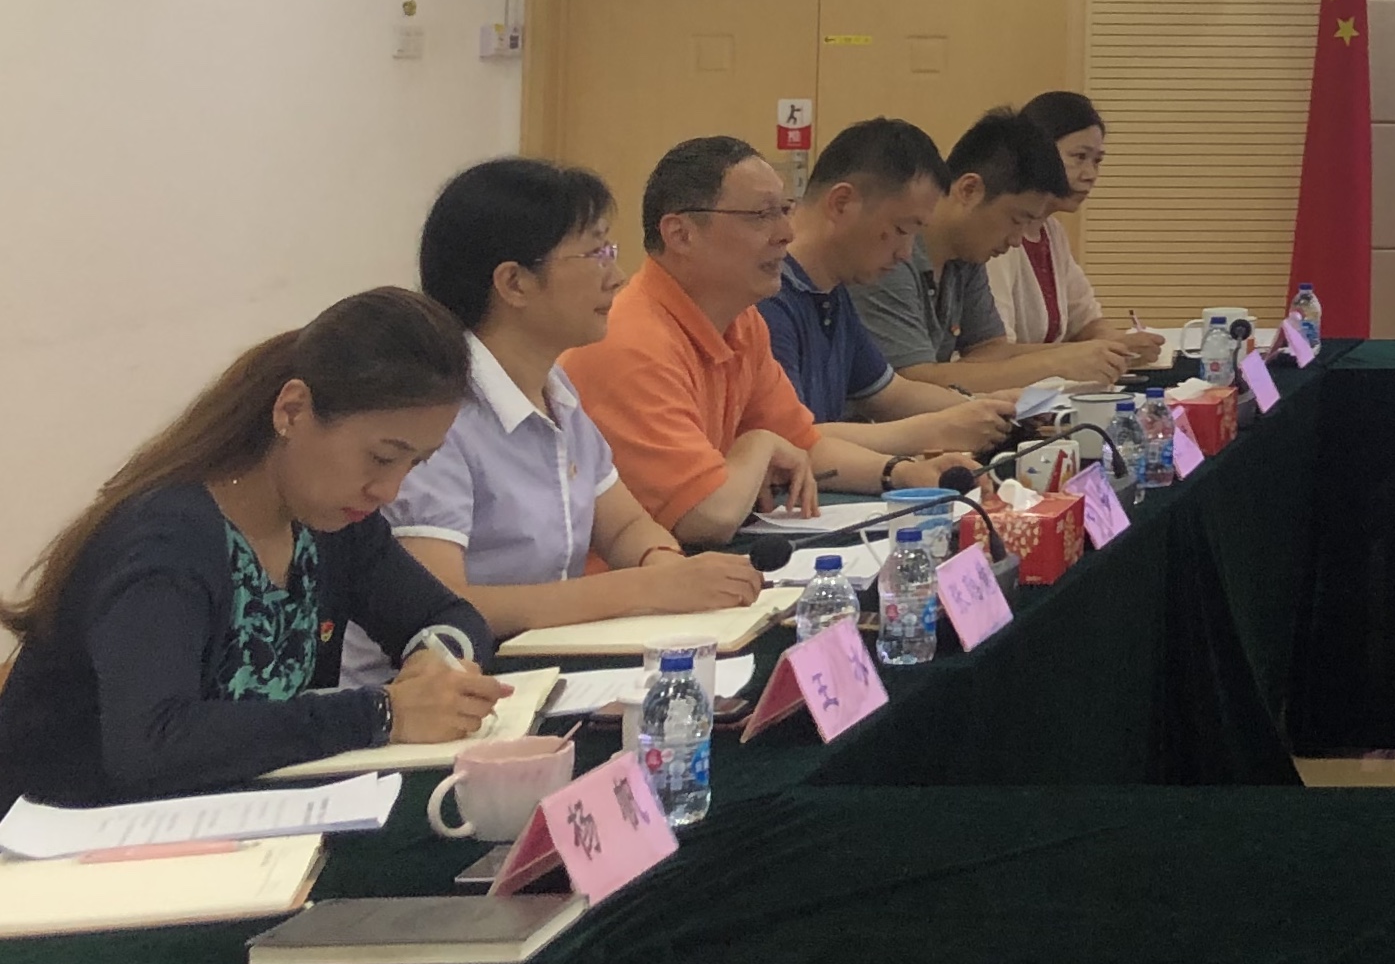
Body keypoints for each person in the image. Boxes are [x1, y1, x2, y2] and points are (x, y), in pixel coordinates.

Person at [0, 290, 508, 805]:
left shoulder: (334, 523)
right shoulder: (167, 541)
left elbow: (449, 615)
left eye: (415, 463)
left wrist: (438, 662)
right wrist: (382, 712)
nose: (390, 491)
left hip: (241, 817)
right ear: (292, 411)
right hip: (69, 832)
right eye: (381, 458)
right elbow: (151, 744)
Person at [348, 158, 764, 674]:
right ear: (514, 283)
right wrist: (644, 588)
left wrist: (666, 569)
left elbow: (625, 526)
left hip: (533, 670)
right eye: (595, 253)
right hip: (434, 688)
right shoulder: (438, 413)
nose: (617, 278)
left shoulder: (555, 388)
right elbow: (442, 604)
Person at [568, 135, 973, 546]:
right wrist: (758, 444)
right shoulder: (631, 340)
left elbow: (805, 445)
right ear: (680, 234)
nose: (785, 233)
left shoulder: (742, 322)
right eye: (761, 215)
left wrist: (901, 473)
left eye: (784, 211)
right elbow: (706, 516)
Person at [759, 116, 1018, 464]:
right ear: (841, 203)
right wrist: (936, 430)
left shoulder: (832, 289)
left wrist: (985, 409)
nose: (906, 253)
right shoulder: (765, 298)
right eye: (901, 229)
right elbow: (791, 440)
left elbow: (889, 393)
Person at [861, 108, 1162, 397]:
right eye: (1017, 220)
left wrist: (1085, 354)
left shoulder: (966, 255)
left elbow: (990, 350)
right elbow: (912, 381)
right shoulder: (893, 255)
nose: (1017, 240)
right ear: (969, 190)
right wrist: (1057, 363)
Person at [988, 92, 1160, 365]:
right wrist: (1095, 350)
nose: (1090, 174)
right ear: (1039, 153)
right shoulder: (997, 238)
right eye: (1079, 157)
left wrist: (1118, 343)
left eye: (1097, 161)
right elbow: (994, 353)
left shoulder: (1052, 231)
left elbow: (1086, 319)